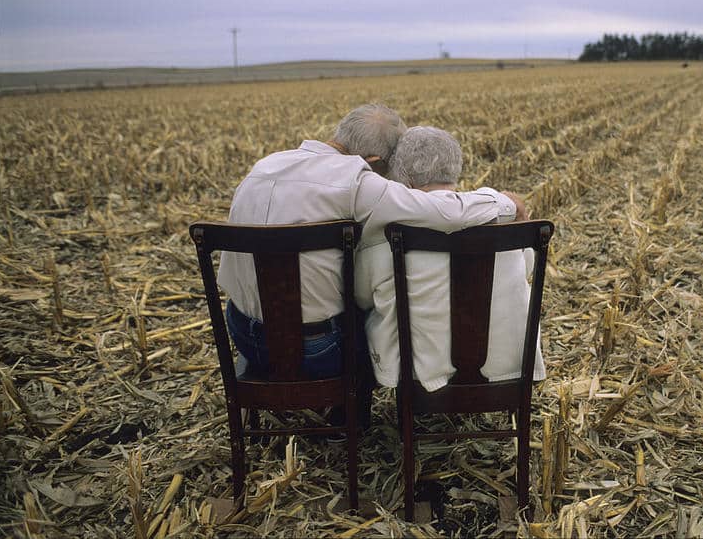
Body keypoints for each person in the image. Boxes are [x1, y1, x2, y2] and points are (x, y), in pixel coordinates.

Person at [217, 104, 523, 391]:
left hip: (244, 335)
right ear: (375, 163)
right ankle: (349, 415)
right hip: (317, 352)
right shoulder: (356, 180)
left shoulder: (265, 165)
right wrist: (504, 202)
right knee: (378, 313)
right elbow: (442, 211)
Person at [355, 126, 546, 391]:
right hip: (508, 367)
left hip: (420, 375)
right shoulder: (504, 223)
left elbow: (361, 295)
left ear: (403, 178)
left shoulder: (386, 236)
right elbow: (527, 267)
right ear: (456, 167)